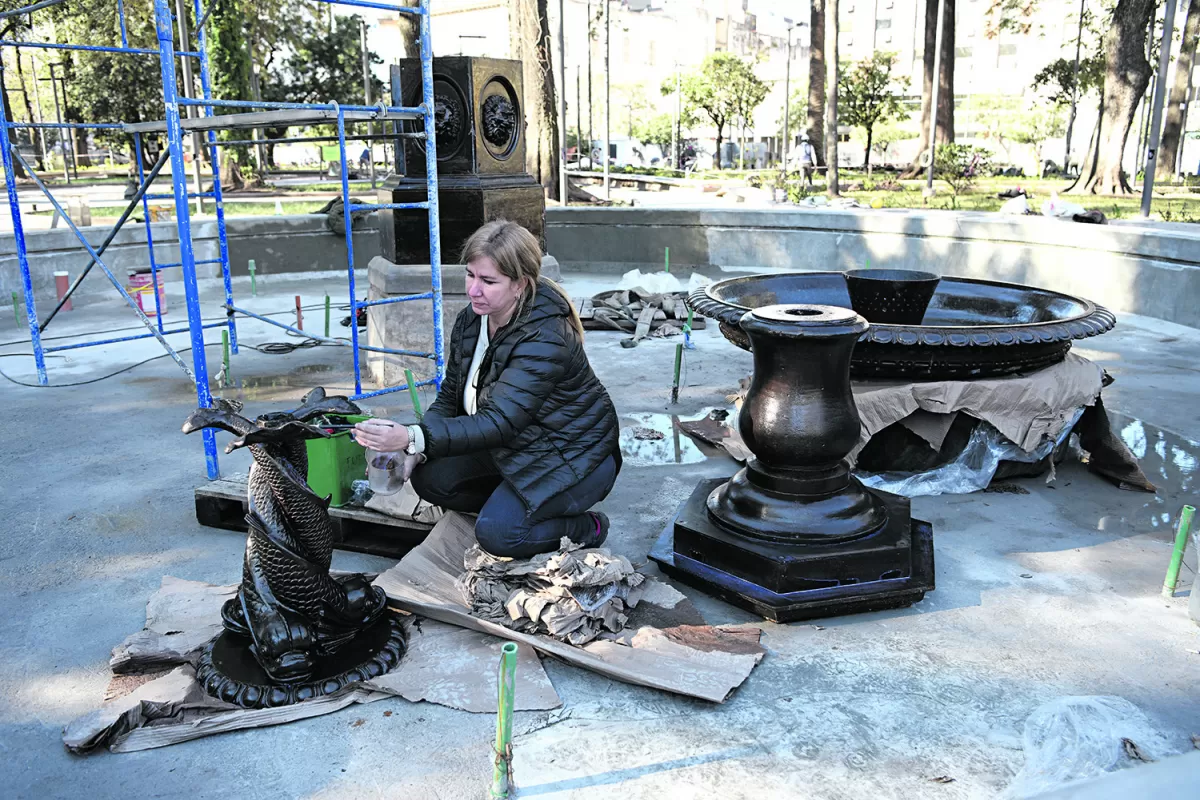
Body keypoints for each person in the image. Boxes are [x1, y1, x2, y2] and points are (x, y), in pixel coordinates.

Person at [353, 221, 621, 559]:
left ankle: (588, 527)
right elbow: (451, 395)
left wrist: (410, 436)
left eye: (488, 281)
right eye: (470, 275)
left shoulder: (545, 338)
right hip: (515, 447)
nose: (473, 290)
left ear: (520, 285)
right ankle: (515, 503)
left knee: (500, 536)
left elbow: (499, 422)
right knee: (429, 478)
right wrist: (419, 451)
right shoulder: (473, 319)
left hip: (574, 456)